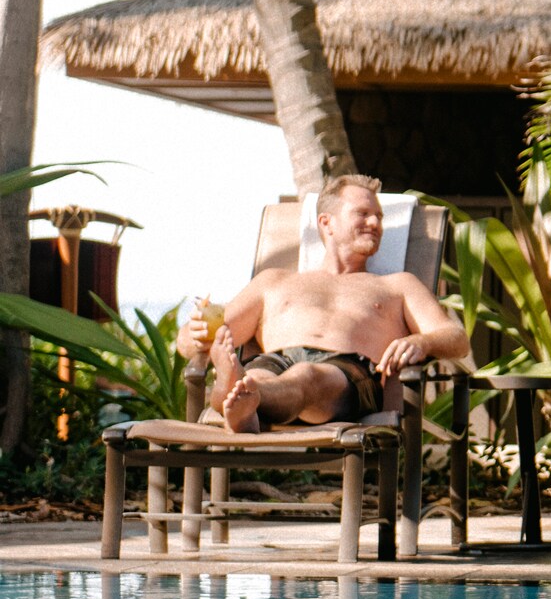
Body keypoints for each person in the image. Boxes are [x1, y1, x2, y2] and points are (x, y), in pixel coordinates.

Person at [176, 175, 470, 433]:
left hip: (351, 375)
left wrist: (423, 341)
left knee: (306, 376)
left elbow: (457, 339)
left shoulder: (397, 285)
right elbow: (199, 339)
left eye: (379, 217)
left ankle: (244, 394)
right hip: (276, 361)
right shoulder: (273, 281)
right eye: (363, 213)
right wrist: (194, 336)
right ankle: (245, 395)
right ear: (326, 222)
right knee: (260, 373)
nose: (375, 224)